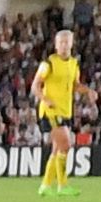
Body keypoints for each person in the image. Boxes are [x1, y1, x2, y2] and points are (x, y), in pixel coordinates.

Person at [33, 27, 82, 193]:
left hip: (65, 111)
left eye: (67, 42)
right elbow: (35, 86)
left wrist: (88, 91)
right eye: (61, 42)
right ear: (55, 45)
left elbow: (75, 86)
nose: (64, 45)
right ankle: (62, 185)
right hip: (50, 112)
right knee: (66, 145)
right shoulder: (48, 64)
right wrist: (46, 100)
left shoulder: (74, 64)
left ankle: (46, 185)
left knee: (57, 148)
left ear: (71, 44)